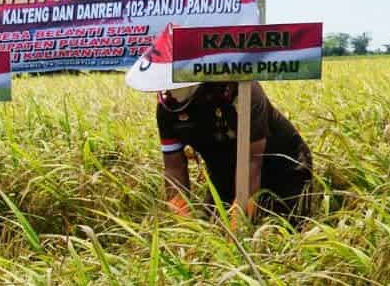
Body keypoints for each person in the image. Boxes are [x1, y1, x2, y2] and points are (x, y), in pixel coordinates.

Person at [126, 37, 314, 222]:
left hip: (281, 165)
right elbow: (174, 168)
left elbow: (251, 163)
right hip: (224, 169)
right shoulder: (167, 108)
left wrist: (236, 229)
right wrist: (183, 224)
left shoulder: (240, 93)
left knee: (283, 226)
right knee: (212, 225)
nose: (169, 93)